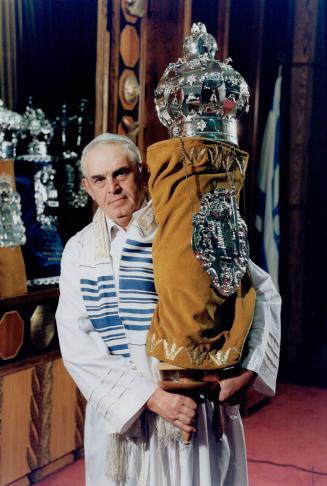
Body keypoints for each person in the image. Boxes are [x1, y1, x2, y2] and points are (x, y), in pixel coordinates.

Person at [56, 133, 281, 486]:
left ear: (142, 173)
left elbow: (261, 294)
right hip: (125, 416)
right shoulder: (79, 251)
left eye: (121, 173)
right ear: (86, 186)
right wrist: (150, 398)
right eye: (100, 179)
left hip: (195, 406)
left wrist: (248, 371)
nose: (112, 188)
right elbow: (77, 342)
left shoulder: (185, 227)